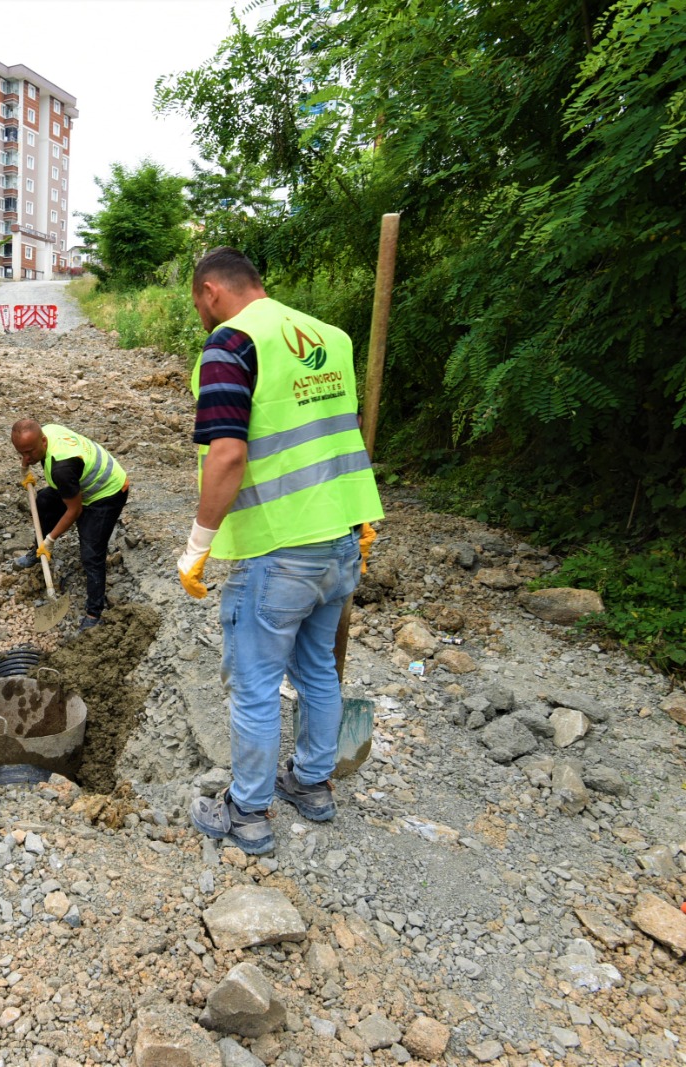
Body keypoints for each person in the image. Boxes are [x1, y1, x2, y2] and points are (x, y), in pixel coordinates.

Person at [179, 247, 385, 856]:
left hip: (278, 549)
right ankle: (312, 784)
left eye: (198, 303)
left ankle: (246, 812)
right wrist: (359, 517)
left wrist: (198, 544)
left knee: (256, 684)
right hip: (340, 541)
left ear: (211, 291)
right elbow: (333, 436)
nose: (201, 315)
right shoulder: (331, 338)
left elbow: (228, 453)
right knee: (317, 667)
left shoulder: (231, 343)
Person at [10, 420, 130, 631]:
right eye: (21, 453)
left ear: (43, 441)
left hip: (107, 493)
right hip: (80, 483)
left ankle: (94, 614)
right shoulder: (46, 433)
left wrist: (50, 540)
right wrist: (24, 469)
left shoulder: (62, 468)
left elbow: (75, 510)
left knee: (91, 553)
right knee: (43, 501)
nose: (26, 458)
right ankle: (37, 552)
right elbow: (30, 455)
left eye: (29, 452)